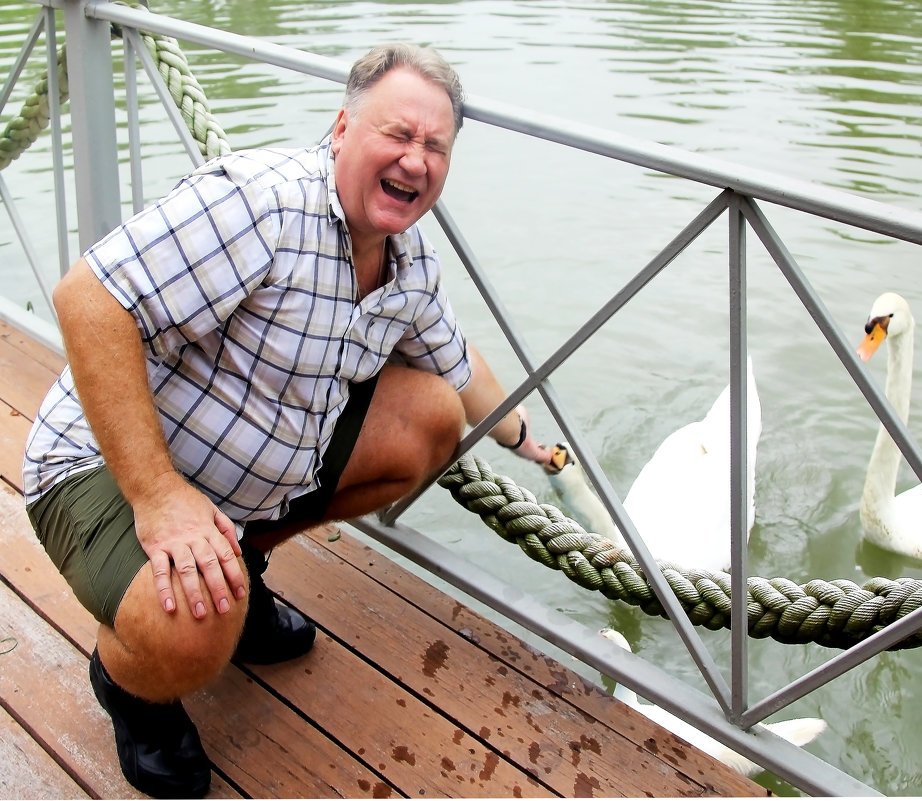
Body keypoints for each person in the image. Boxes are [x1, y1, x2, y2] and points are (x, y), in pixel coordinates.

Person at [22, 42, 550, 799]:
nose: (416, 159)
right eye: (397, 134)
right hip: (105, 465)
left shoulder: (408, 260)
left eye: (435, 146)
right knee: (194, 623)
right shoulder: (263, 203)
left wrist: (524, 439)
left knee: (430, 416)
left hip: (234, 484)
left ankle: (244, 562)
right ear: (342, 127)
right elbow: (89, 297)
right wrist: (158, 495)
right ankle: (132, 687)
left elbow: (457, 365)